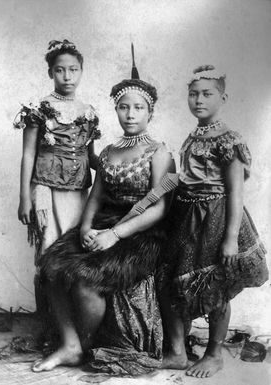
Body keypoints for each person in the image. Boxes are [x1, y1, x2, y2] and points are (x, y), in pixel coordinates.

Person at [31, 45, 175, 375]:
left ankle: (86, 342)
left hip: (141, 232)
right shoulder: (109, 151)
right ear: (116, 111)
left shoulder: (158, 152)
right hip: (105, 221)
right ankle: (69, 344)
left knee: (85, 281)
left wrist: (113, 235)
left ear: (149, 113)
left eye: (138, 108)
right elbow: (95, 197)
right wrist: (85, 229)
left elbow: (158, 209)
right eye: (124, 107)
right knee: (51, 265)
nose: (130, 114)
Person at [159, 65, 269, 378]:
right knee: (176, 282)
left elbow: (235, 192)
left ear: (223, 97)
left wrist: (231, 238)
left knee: (216, 286)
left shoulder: (229, 140)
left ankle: (214, 354)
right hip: (187, 217)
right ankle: (178, 352)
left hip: (218, 218)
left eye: (207, 94)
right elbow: (186, 178)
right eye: (193, 94)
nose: (199, 100)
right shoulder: (193, 136)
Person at [14, 39, 100, 315]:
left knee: (74, 253)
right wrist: (24, 197)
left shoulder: (88, 112)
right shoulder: (39, 111)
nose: (67, 76)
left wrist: (123, 160)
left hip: (77, 192)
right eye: (60, 70)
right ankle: (50, 326)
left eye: (73, 70)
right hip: (46, 190)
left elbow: (92, 157)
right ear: (51, 72)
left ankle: (72, 326)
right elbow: (28, 155)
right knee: (49, 253)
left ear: (81, 71)